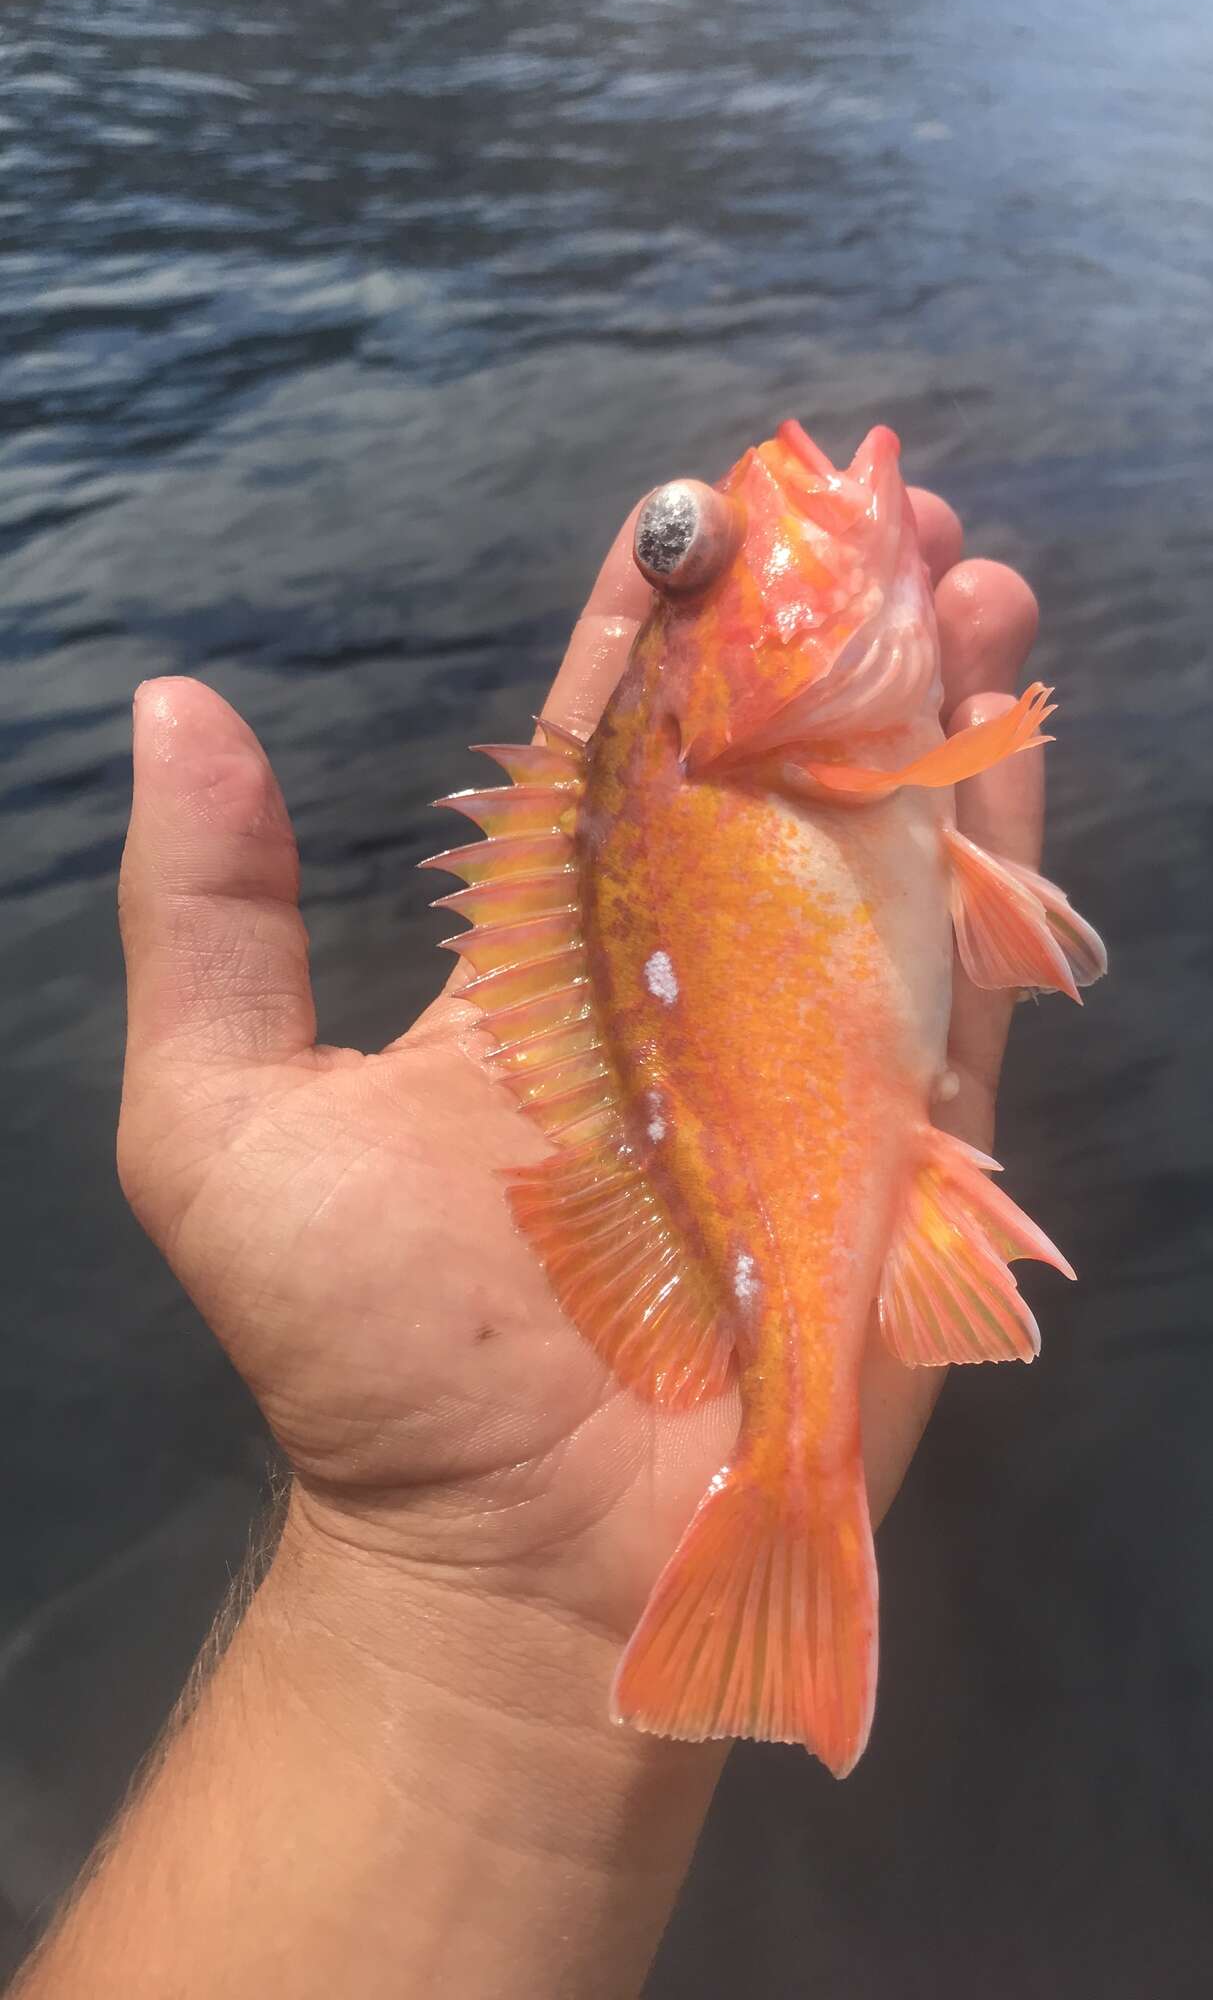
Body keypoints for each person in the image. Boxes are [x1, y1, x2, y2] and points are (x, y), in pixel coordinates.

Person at [16, 481, 1048, 1998]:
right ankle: (787, 1485)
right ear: (720, 690)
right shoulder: (791, 764)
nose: (816, 512)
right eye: (733, 578)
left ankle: (782, 1495)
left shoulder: (792, 763)